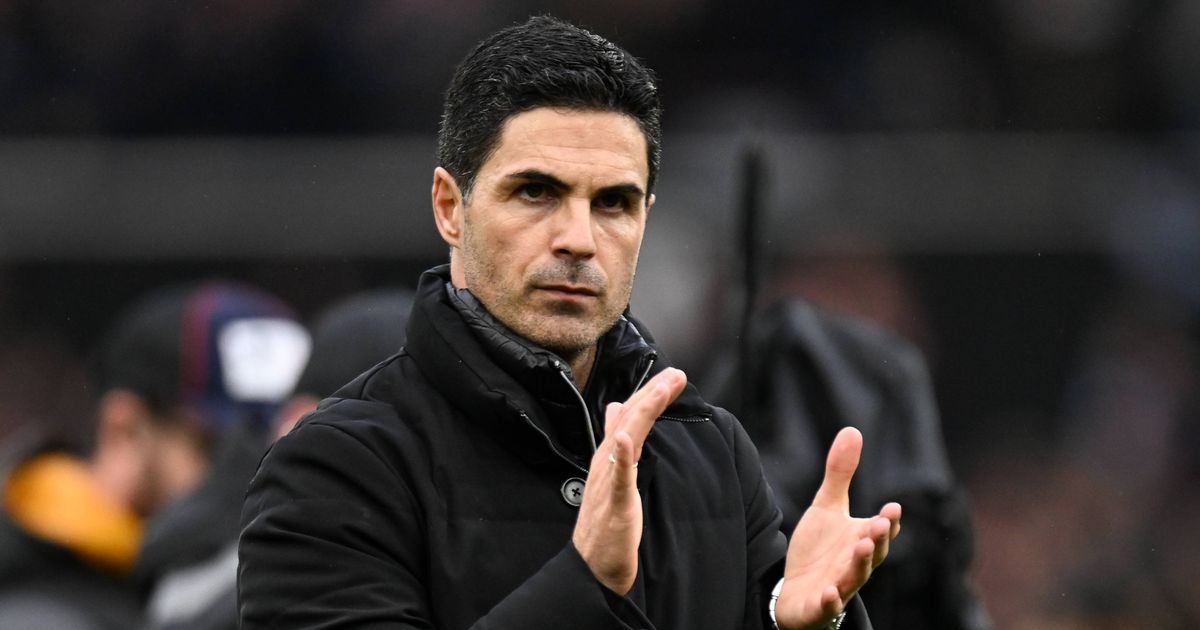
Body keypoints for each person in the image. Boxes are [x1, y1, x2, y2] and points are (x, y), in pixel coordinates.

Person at [238, 16, 902, 630]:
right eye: (536, 192)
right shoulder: (333, 467)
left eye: (613, 203)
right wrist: (584, 585)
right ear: (449, 208)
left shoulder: (710, 453)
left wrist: (799, 625)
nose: (579, 239)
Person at [0, 280, 307, 630]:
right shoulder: (31, 607)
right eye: (222, 448)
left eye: (281, 450)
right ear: (124, 433)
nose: (256, 474)